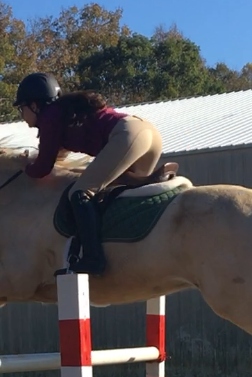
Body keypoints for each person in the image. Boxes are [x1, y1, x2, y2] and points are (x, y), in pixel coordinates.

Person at [14, 72, 164, 274]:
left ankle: (93, 259)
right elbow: (57, 155)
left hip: (128, 135)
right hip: (147, 133)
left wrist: (25, 166)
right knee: (123, 192)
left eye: (21, 108)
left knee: (79, 193)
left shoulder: (50, 117)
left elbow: (43, 167)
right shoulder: (61, 113)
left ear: (34, 105)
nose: (22, 115)